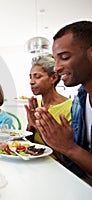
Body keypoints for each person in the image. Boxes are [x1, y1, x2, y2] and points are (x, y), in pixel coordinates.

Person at [34, 20, 92, 184]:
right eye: (55, 59)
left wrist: (69, 148)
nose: (57, 68)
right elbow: (75, 166)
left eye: (64, 57)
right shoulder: (79, 102)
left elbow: (71, 152)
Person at [24, 54, 72, 160]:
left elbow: (67, 159)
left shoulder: (70, 108)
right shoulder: (36, 104)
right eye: (30, 77)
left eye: (37, 76)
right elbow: (29, 143)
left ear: (53, 78)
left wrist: (38, 127)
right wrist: (31, 126)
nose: (31, 82)